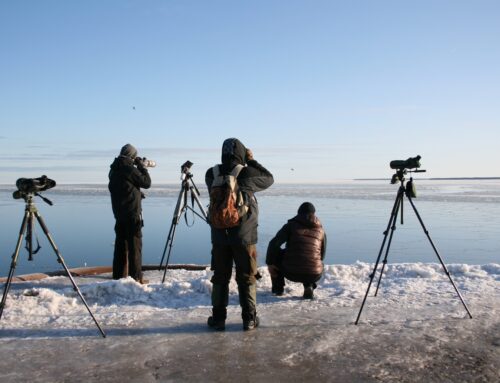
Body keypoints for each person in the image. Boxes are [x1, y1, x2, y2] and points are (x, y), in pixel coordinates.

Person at [205, 138, 274, 331]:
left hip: (219, 235)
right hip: (244, 235)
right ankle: (249, 319)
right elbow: (268, 178)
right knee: (246, 275)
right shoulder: (246, 173)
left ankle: (218, 319)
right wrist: (251, 161)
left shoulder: (211, 173)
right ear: (241, 153)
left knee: (220, 276)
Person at [108, 143, 151, 284]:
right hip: (132, 213)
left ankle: (118, 277)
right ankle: (136, 278)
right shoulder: (128, 168)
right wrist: (142, 167)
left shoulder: (113, 169)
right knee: (135, 246)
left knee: (121, 245)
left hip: (119, 213)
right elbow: (146, 182)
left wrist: (136, 193)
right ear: (132, 156)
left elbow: (124, 188)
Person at [266, 202, 326, 299]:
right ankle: (309, 286)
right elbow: (322, 255)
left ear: (298, 213)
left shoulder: (290, 226)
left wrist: (269, 263)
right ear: (314, 214)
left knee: (277, 254)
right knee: (312, 257)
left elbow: (274, 244)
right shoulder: (321, 230)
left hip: (291, 272)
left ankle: (278, 289)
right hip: (314, 274)